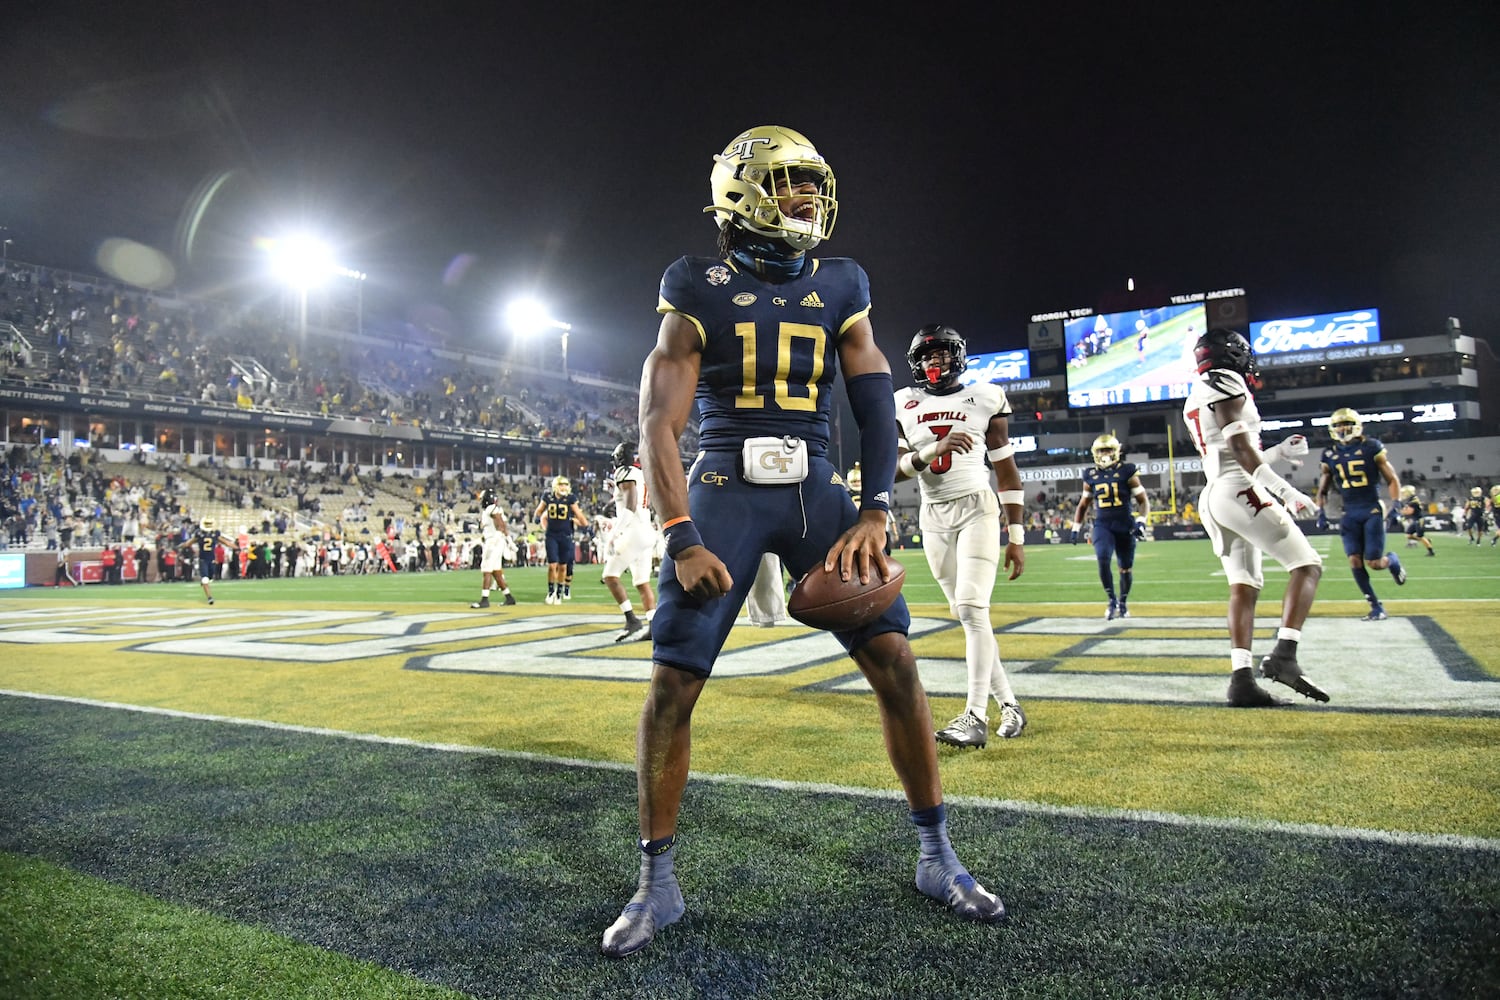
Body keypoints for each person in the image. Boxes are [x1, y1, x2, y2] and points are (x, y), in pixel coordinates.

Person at [601, 125, 1005, 960]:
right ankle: (656, 885)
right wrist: (678, 535)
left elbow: (874, 400)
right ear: (743, 191)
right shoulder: (694, 284)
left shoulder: (842, 282)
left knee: (897, 661)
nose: (807, 199)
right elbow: (656, 423)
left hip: (817, 489)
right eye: (788, 184)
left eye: (811, 184)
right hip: (721, 489)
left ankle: (937, 854)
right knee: (673, 685)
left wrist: (872, 512)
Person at [895, 324, 1027, 748]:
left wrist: (1017, 534)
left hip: (976, 507)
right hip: (932, 517)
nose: (935, 362)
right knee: (967, 614)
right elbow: (895, 469)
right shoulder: (902, 402)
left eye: (942, 354)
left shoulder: (986, 396)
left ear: (959, 356)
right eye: (927, 356)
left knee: (972, 607)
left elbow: (1005, 469)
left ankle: (974, 715)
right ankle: (1010, 704)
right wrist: (935, 449)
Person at [1182, 327, 1327, 708]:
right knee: (1307, 565)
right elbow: (1239, 449)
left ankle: (1241, 680)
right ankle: (1284, 655)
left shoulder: (1197, 390)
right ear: (1231, 354)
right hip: (1239, 490)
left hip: (1217, 492)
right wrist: (1288, 492)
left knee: (1243, 585)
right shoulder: (1225, 379)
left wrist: (1277, 451)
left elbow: (1225, 451)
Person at [1314, 407, 1405, 622]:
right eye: (1338, 425)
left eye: (1346, 423)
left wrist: (1397, 504)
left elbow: (1392, 479)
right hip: (1350, 512)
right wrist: (1321, 512)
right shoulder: (1329, 454)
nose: (1342, 428)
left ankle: (1392, 561)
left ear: (1356, 425)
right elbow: (1323, 487)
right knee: (1354, 560)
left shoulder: (1371, 447)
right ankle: (1376, 606)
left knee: (1373, 562)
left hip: (1371, 508)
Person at [1069, 432, 1151, 620]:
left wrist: (1141, 521)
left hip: (1125, 524)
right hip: (1103, 525)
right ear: (1095, 453)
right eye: (1102, 450)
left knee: (1125, 568)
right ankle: (1111, 599)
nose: (1105, 453)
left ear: (1117, 451)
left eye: (1108, 449)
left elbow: (1143, 500)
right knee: (1103, 558)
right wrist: (1075, 528)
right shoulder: (1090, 474)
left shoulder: (1127, 470)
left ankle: (1122, 602)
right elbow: (1083, 504)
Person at [601, 443, 656, 640]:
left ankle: (631, 619)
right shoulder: (639, 473)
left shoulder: (624, 472)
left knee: (610, 575)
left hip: (634, 532)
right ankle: (654, 625)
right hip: (646, 531)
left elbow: (630, 506)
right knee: (642, 582)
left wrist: (614, 534)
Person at [534, 475, 587, 604]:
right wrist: (537, 516)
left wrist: (586, 525)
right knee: (552, 565)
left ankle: (559, 593)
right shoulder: (548, 496)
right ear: (555, 486)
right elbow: (539, 510)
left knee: (563, 567)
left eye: (565, 485)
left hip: (566, 535)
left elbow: (578, 513)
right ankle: (551, 591)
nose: (563, 487)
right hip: (551, 534)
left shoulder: (570, 498)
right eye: (561, 485)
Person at [470, 488, 517, 608]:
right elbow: (501, 525)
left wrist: (500, 538)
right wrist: (508, 541)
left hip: (493, 542)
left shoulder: (491, 508)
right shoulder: (491, 510)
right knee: (496, 572)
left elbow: (501, 524)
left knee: (486, 570)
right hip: (496, 541)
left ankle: (484, 600)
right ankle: (509, 597)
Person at [189, 517, 223, 605]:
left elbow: (225, 542)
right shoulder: (199, 534)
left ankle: (205, 584)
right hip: (203, 559)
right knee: (205, 579)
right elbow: (190, 542)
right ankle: (209, 598)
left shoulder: (214, 533)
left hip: (211, 559)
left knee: (210, 578)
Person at [1398, 485, 1435, 557]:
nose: (1404, 494)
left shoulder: (1413, 501)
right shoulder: (1412, 499)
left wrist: (1402, 511)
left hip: (1419, 520)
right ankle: (1427, 540)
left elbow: (1410, 512)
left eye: (1405, 493)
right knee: (1409, 535)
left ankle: (1431, 551)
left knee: (1420, 536)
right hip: (1416, 520)